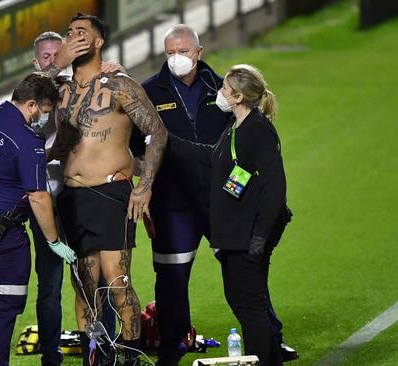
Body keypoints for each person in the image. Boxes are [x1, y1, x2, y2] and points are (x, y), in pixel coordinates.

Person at [134, 25, 298, 365]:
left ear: (199, 50)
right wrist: (146, 181)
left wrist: (257, 224)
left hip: (223, 204)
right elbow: (142, 148)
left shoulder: (221, 88)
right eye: (169, 51)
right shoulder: (148, 92)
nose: (176, 57)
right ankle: (171, 349)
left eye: (182, 50)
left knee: (245, 279)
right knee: (173, 281)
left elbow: (257, 168)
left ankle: (270, 342)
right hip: (174, 205)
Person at [48, 13, 168, 366]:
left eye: (83, 33)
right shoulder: (59, 89)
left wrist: (144, 187)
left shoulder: (120, 85)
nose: (75, 38)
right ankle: (97, 354)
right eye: (70, 33)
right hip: (72, 196)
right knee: (84, 284)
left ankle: (130, 353)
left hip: (111, 193)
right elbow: (23, 99)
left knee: (116, 280)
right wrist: (58, 63)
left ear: (99, 42)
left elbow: (157, 132)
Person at [168, 64, 292, 366]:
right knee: (247, 302)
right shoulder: (237, 125)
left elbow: (275, 186)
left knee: (248, 304)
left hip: (247, 235)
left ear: (237, 97)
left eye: (224, 88)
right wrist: (168, 141)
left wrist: (259, 238)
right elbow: (213, 155)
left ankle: (264, 361)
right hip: (237, 232)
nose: (219, 92)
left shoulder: (258, 129)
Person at [0, 73, 77, 366]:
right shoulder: (27, 138)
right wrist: (54, 241)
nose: (42, 119)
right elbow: (38, 195)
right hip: (1, 238)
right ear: (32, 104)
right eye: (44, 112)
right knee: (0, 309)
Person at [30, 31, 121, 366]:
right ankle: (51, 357)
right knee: (50, 286)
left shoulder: (85, 90)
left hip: (86, 202)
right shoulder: (27, 98)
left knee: (95, 281)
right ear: (35, 62)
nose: (54, 60)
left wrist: (115, 73)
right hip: (46, 206)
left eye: (60, 53)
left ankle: (101, 353)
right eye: (47, 57)